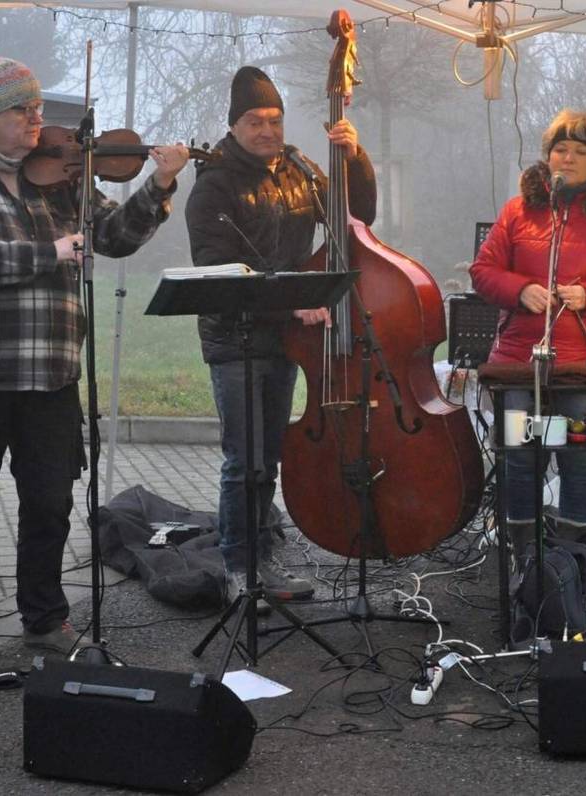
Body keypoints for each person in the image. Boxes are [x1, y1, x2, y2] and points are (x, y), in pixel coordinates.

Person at [0, 56, 189, 667]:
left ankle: (45, 618)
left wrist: (158, 186)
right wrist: (50, 249)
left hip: (51, 378)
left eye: (38, 108)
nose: (39, 120)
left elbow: (112, 238)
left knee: (50, 504)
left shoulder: (61, 176)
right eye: (23, 110)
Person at [184, 66, 377, 604]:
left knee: (268, 457)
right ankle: (237, 569)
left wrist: (354, 159)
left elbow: (357, 217)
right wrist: (295, 305)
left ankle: (263, 562)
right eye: (255, 121)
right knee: (242, 459)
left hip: (288, 337)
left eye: (275, 119)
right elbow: (218, 270)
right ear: (234, 124)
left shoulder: (298, 168)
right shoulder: (214, 184)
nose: (268, 130)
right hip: (235, 339)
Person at [470, 108, 586, 558]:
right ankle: (525, 558)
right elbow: (483, 270)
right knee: (522, 456)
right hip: (519, 363)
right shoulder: (517, 211)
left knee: (578, 456)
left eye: (579, 151)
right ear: (547, 157)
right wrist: (521, 289)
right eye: (560, 149)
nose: (566, 159)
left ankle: (573, 558)